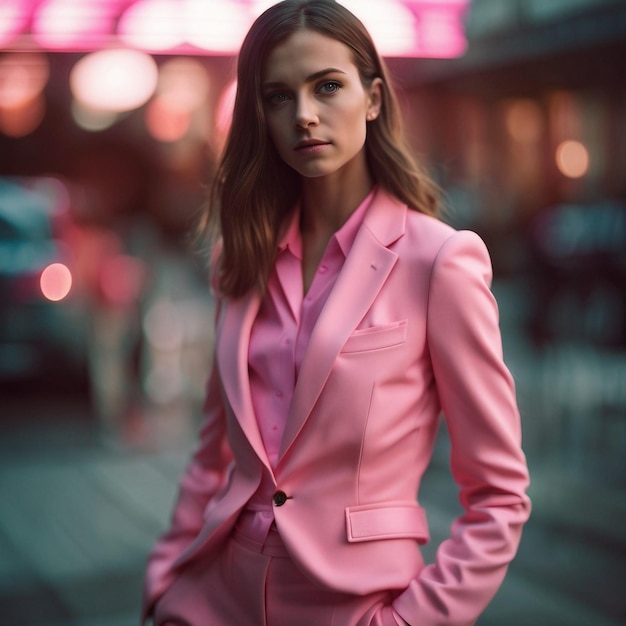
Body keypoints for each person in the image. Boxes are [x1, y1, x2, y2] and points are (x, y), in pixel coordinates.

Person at [142, 1, 531, 624]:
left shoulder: (440, 261)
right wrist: (164, 582)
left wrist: (413, 621)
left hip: (353, 604)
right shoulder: (238, 258)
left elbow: (500, 495)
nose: (304, 115)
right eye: (278, 96)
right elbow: (212, 452)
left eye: (327, 86)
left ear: (373, 97)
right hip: (214, 601)